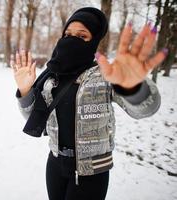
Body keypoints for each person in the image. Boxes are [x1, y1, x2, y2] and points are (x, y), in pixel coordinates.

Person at [11, 7, 167, 200]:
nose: (71, 40)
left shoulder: (107, 74)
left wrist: (133, 88)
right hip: (55, 163)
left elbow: (146, 109)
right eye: (67, 34)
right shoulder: (52, 76)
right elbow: (35, 118)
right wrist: (26, 91)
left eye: (81, 36)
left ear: (93, 41)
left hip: (92, 170)